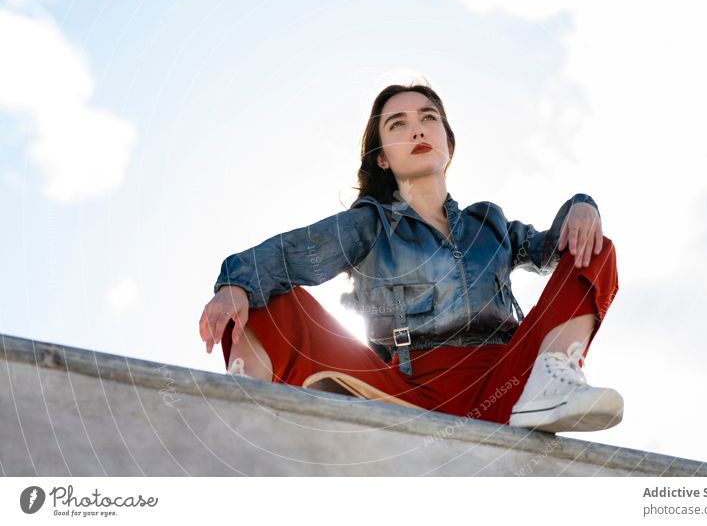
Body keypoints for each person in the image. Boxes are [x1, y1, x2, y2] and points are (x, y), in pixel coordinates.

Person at [199, 82, 622, 433]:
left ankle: (551, 381)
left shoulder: (489, 222)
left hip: (510, 380)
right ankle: (246, 418)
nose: (417, 131)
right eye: (398, 124)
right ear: (382, 157)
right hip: (406, 394)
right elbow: (285, 256)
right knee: (259, 297)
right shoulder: (369, 224)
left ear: (447, 142)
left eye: (428, 119)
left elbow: (556, 248)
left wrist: (583, 206)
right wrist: (234, 283)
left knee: (595, 248)